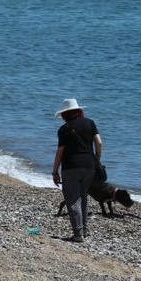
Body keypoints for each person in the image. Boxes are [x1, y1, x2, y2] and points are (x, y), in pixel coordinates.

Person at [51, 98, 103, 243]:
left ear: (64, 114)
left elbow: (60, 152)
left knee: (73, 200)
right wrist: (97, 159)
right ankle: (84, 230)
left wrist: (55, 171)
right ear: (79, 110)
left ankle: (78, 234)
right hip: (89, 166)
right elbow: (99, 142)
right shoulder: (90, 123)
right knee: (83, 197)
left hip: (71, 167)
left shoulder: (63, 129)